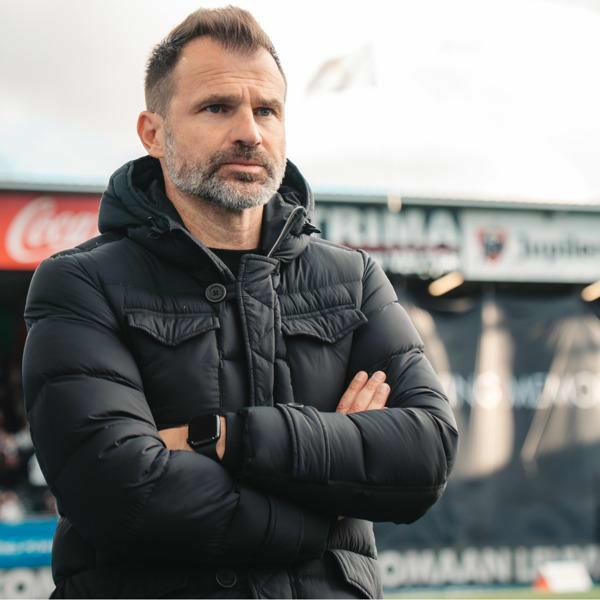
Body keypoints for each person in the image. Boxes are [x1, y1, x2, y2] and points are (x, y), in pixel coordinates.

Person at [22, 6, 458, 599]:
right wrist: (325, 501)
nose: (249, 131)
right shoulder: (80, 284)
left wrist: (221, 437)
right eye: (217, 107)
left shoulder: (354, 279)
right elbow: (119, 492)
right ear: (152, 133)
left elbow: (425, 457)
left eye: (267, 110)